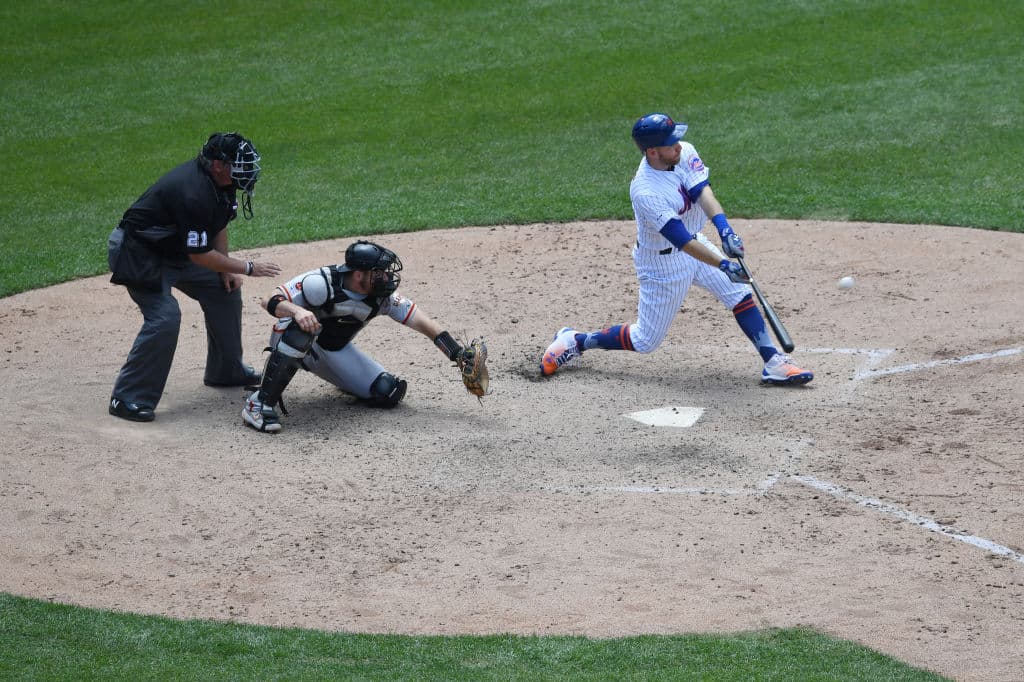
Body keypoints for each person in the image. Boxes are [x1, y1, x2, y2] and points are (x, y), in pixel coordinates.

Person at [540, 112, 813, 386]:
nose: (679, 146)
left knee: (739, 294)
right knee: (645, 340)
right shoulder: (646, 191)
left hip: (697, 244)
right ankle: (576, 340)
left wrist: (724, 229)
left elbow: (703, 193)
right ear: (653, 151)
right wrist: (723, 265)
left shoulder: (683, 152)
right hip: (662, 264)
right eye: (672, 144)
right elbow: (681, 240)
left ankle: (773, 363)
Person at [107, 132, 282, 422]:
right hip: (139, 252)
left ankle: (225, 370)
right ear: (217, 164)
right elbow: (200, 255)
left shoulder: (222, 183)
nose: (247, 168)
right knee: (164, 316)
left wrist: (226, 268)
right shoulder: (193, 191)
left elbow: (218, 225)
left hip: (174, 250)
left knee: (222, 287)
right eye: (239, 162)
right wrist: (247, 267)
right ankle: (127, 398)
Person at [243, 239, 476, 433]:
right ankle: (259, 403)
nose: (387, 278)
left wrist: (456, 354)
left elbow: (422, 323)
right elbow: (269, 300)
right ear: (358, 275)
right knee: (301, 330)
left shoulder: (381, 297)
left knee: (388, 391)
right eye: (380, 273)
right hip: (290, 339)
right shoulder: (321, 283)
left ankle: (343, 379)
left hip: (330, 349)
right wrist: (297, 311)